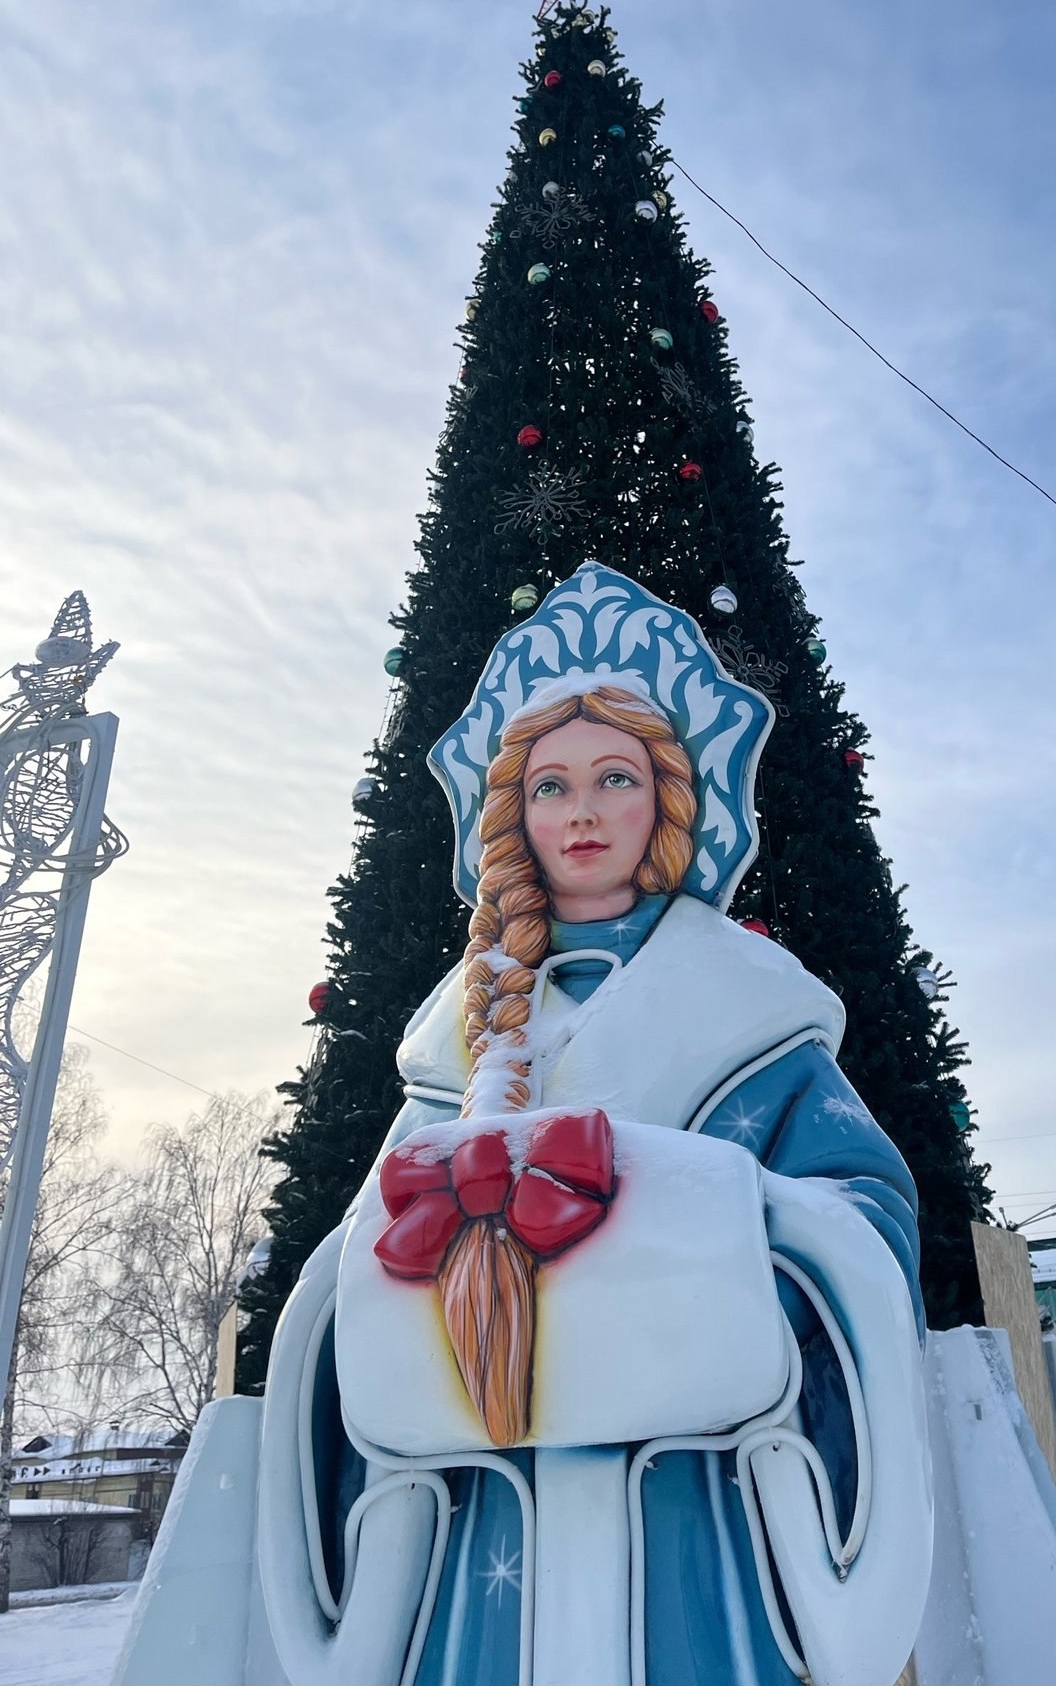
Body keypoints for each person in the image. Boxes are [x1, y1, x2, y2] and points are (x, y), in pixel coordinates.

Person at [256, 565, 933, 1686]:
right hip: (488, 1495)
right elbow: (376, 1243)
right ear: (512, 813)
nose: (580, 812)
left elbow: (864, 1210)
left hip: (694, 1478)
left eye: (614, 779)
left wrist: (711, 1226)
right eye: (552, 786)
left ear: (665, 800)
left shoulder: (747, 1003)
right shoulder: (454, 1036)